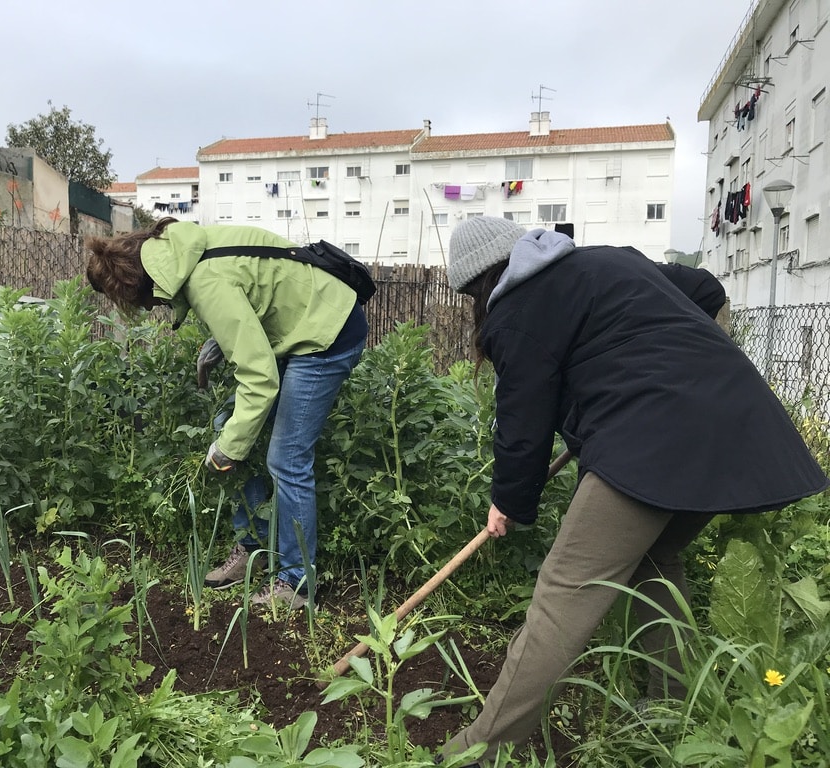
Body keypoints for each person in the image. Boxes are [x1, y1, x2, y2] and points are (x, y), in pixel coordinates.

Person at [437, 217, 829, 765]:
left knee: (564, 590)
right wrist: (662, 352)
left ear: (478, 285)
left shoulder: (516, 313)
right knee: (653, 555)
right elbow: (705, 288)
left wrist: (508, 500)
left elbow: (522, 424)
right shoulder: (607, 259)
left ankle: (474, 753)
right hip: (732, 418)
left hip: (654, 433)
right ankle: (672, 706)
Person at [85, 218, 368, 610]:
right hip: (299, 324)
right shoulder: (182, 250)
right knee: (226, 425)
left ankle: (296, 583)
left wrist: (227, 452)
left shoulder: (204, 282)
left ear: (137, 285)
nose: (149, 308)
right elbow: (255, 288)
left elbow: (259, 377)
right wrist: (222, 339)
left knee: (286, 458)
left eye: (136, 302)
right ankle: (255, 546)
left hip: (327, 334)